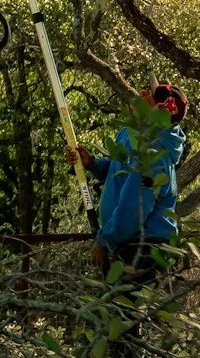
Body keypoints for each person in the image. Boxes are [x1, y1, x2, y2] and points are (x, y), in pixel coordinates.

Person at [76, 82, 188, 279]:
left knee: (128, 307)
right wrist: (93, 164)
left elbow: (135, 206)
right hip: (130, 242)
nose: (142, 93)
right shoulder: (132, 136)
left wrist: (106, 239)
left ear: (159, 111)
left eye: (150, 96)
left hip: (146, 247)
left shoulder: (153, 152)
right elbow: (119, 169)